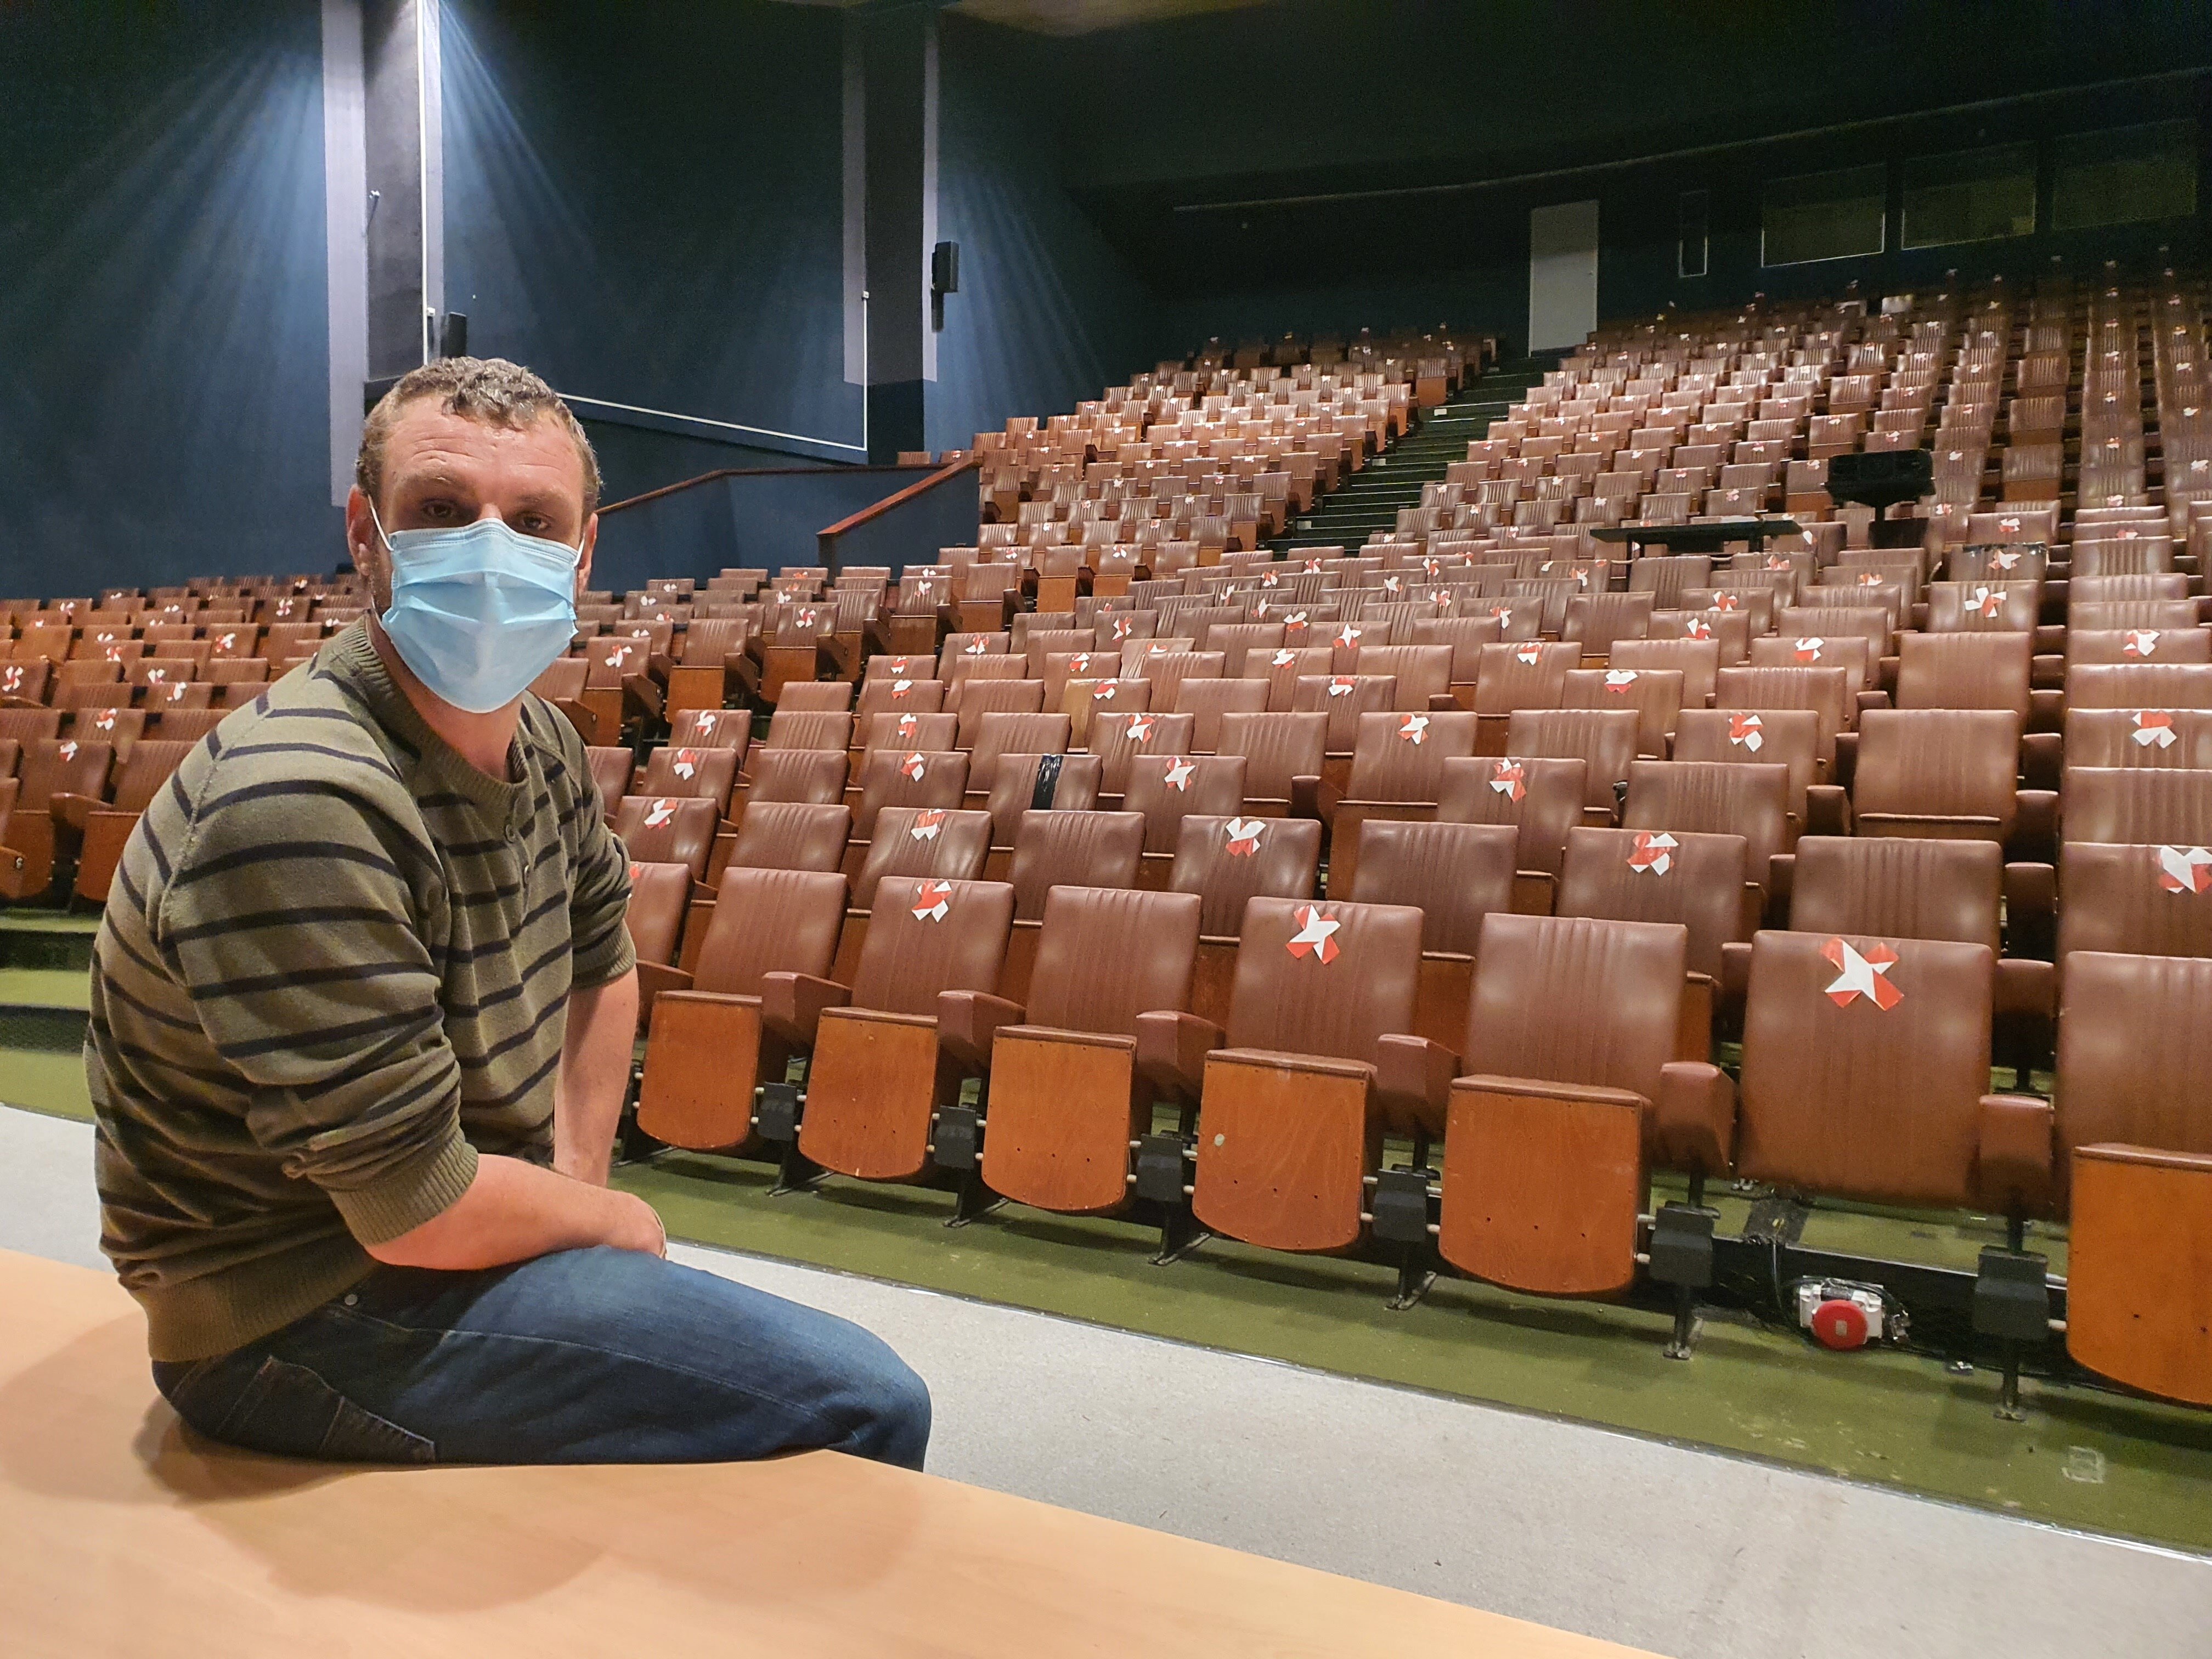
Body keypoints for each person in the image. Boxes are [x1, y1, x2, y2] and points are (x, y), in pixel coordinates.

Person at [88, 357, 929, 1468]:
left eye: (533, 520)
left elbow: (603, 965)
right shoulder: (302, 792)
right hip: (294, 1312)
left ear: (583, 550)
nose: (492, 547)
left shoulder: (540, 745)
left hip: (434, 1245)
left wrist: (574, 1191)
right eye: (442, 511)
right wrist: (614, 1226)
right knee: (866, 1401)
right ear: (365, 532)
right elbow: (413, 1208)